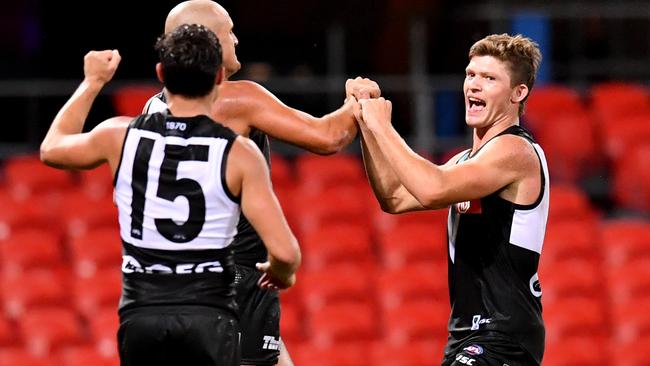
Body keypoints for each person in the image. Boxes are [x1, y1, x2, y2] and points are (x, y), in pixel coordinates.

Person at [40, 24, 301, 366]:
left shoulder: (119, 136)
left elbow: (52, 148)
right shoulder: (238, 152)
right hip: (208, 316)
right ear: (220, 76)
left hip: (142, 316)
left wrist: (93, 82)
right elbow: (285, 252)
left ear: (161, 73)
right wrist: (283, 273)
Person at [142, 1, 380, 365]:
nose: (237, 39)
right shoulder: (234, 99)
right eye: (229, 31)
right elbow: (328, 137)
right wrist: (358, 99)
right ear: (209, 44)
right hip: (235, 286)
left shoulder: (150, 111)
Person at [355, 33, 547, 365]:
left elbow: (432, 189)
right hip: (467, 337)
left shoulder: (515, 150)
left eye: (489, 78)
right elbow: (394, 198)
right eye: (471, 74)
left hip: (503, 336)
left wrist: (382, 125)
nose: (474, 85)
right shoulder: (466, 161)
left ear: (519, 93)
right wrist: (366, 126)